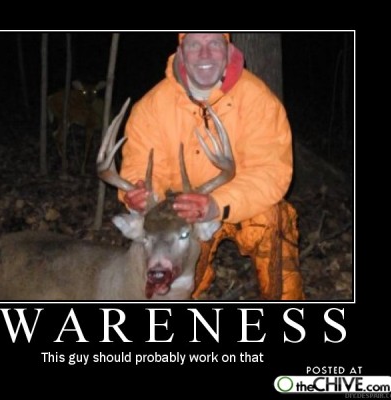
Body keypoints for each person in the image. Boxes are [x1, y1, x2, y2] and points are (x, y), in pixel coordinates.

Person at [118, 33, 304, 300]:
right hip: (182, 212)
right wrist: (142, 194)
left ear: (228, 50)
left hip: (241, 204)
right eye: (195, 45)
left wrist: (217, 204)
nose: (204, 54)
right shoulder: (152, 106)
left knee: (273, 221)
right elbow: (140, 165)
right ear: (181, 52)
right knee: (181, 284)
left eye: (214, 44)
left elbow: (271, 172)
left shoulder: (258, 100)